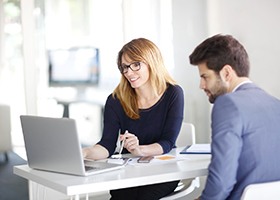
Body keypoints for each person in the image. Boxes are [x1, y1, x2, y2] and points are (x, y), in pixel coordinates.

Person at [83, 38, 184, 200]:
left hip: (162, 172)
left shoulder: (173, 93)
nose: (129, 72)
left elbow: (168, 142)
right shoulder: (116, 100)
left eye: (135, 65)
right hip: (127, 173)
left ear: (151, 62)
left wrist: (139, 150)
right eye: (124, 67)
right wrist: (84, 152)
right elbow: (107, 145)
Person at [189, 34, 280, 200]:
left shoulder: (227, 104)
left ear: (226, 73)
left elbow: (222, 181)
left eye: (204, 77)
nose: (201, 85)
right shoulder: (275, 103)